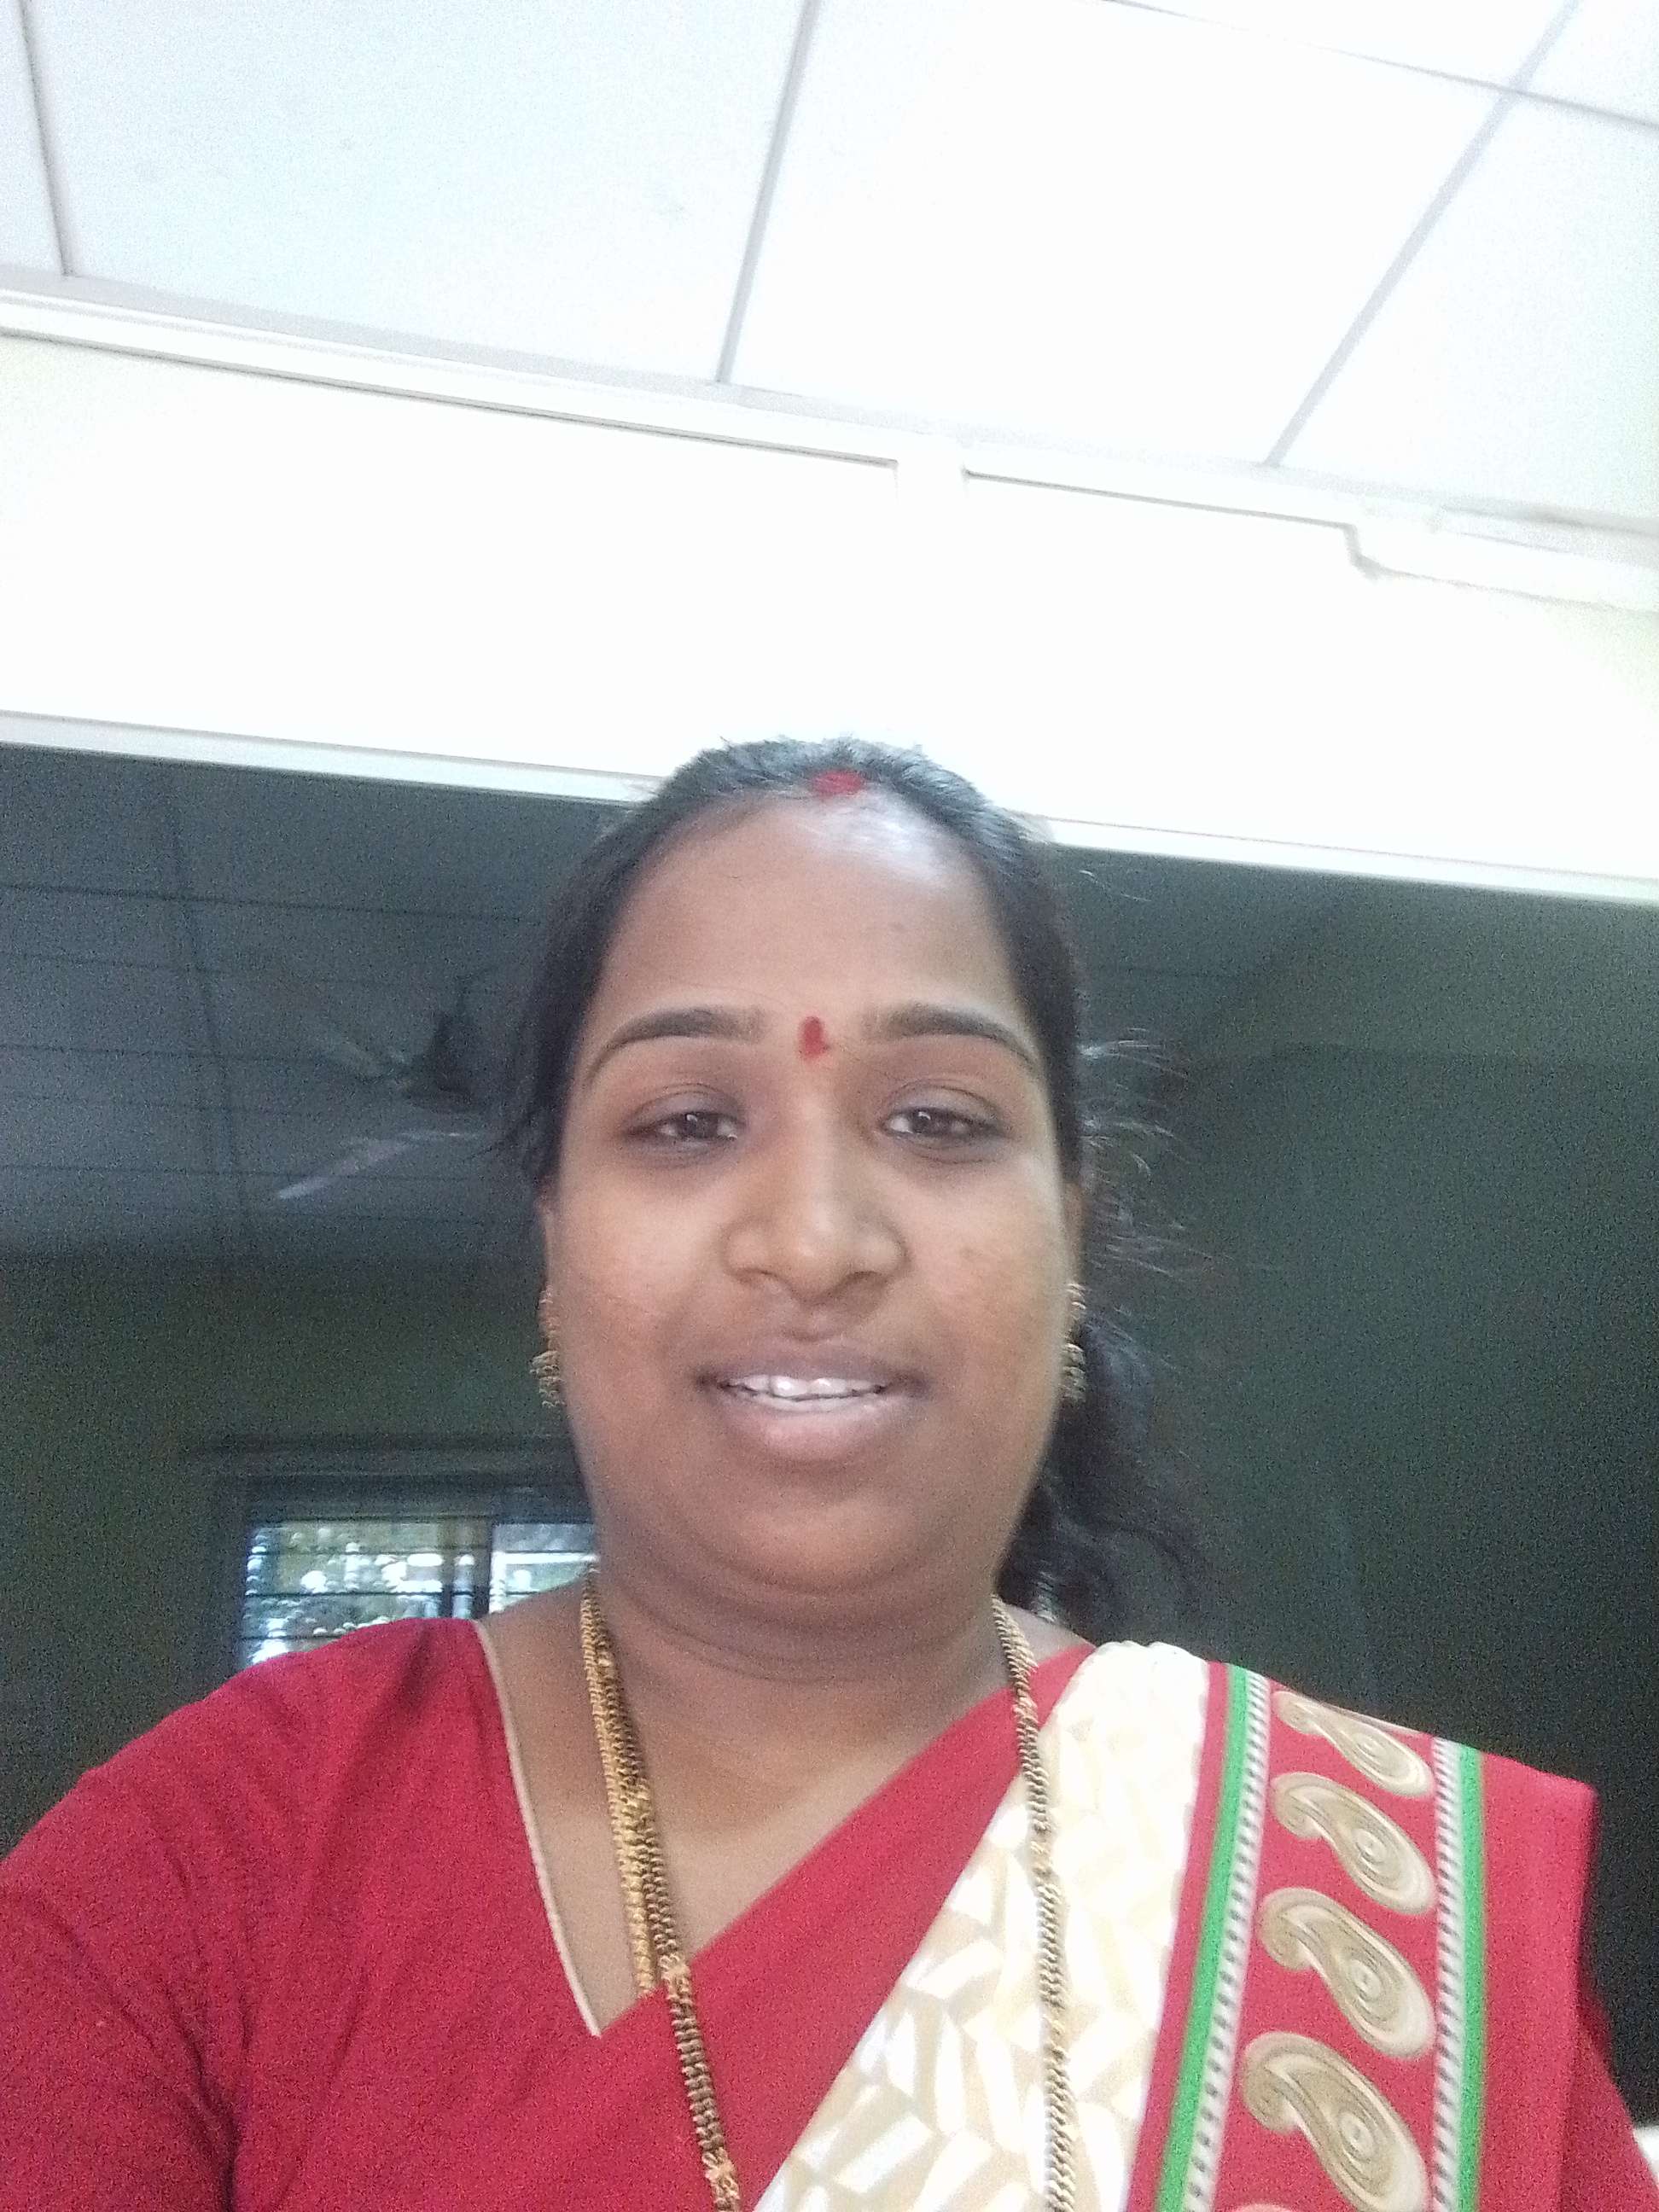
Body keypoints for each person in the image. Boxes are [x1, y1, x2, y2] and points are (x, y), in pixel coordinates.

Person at [2, 738, 1651, 2210]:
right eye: (684, 1122)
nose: (814, 1240)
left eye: (938, 1120)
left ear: (1070, 1243)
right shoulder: (210, 1862)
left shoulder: (1386, 1899)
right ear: (558, 1251)